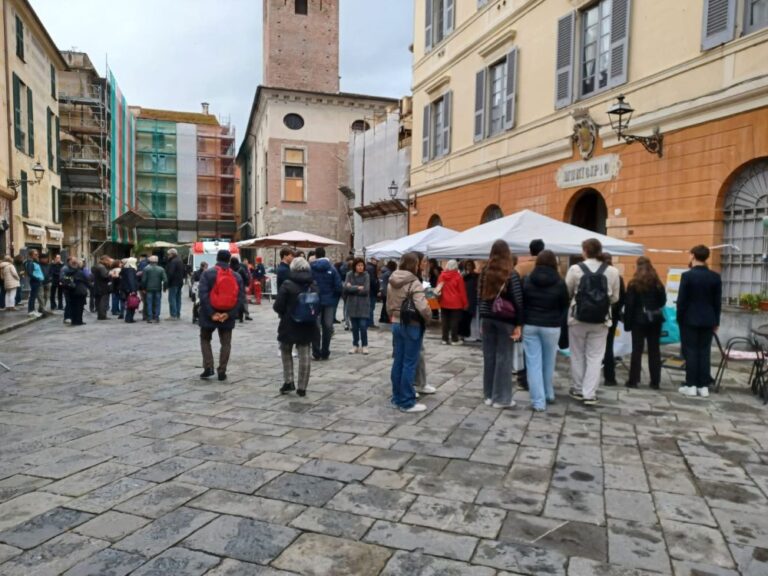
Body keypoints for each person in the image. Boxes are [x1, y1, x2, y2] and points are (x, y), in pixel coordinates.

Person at [565, 238, 621, 406]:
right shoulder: (612, 271)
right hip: (601, 320)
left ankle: (577, 387)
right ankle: (589, 393)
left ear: (584, 251)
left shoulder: (575, 269)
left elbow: (567, 291)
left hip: (577, 318)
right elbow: (615, 297)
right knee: (595, 357)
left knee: (577, 354)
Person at [522, 250, 570, 412]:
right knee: (549, 361)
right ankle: (548, 393)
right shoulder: (560, 282)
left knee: (533, 363)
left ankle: (538, 401)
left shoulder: (528, 279)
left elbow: (523, 301)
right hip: (551, 325)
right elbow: (565, 304)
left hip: (530, 324)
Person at [479, 240, 524, 409]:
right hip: (505, 319)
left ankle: (489, 395)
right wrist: (519, 323)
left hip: (487, 317)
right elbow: (518, 299)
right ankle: (502, 398)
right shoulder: (510, 273)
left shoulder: (484, 271)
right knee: (504, 357)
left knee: (489, 356)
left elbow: (480, 295)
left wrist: (481, 317)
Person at [386, 252, 432, 413]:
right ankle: (406, 401)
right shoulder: (414, 281)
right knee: (409, 363)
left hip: (397, 323)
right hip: (411, 324)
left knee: (398, 361)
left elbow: (387, 303)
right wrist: (428, 317)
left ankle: (397, 397)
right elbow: (422, 306)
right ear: (415, 264)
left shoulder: (392, 279)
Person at [676, 245, 721, 398]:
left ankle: (691, 384)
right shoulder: (715, 277)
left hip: (690, 318)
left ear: (693, 255)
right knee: (704, 351)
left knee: (691, 351)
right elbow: (717, 302)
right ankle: (703, 386)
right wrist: (716, 321)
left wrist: (679, 318)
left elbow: (681, 301)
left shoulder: (687, 276)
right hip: (709, 319)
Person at [198, 249, 245, 381]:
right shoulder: (237, 276)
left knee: (205, 339)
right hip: (228, 313)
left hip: (209, 313)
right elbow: (240, 298)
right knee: (226, 343)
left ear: (217, 258)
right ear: (229, 260)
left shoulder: (207, 273)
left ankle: (208, 367)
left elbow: (203, 295)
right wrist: (229, 314)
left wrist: (212, 313)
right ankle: (222, 370)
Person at [274, 257, 318, 396]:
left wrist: (284, 314)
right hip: (308, 324)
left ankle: (289, 381)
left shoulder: (287, 284)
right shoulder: (313, 284)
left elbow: (278, 306)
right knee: (305, 353)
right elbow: (318, 305)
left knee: (286, 350)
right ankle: (302, 387)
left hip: (289, 323)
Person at [624, 256, 667, 389]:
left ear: (637, 267)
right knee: (654, 350)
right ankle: (655, 381)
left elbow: (629, 305)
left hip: (638, 321)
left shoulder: (633, 284)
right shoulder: (658, 283)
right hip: (655, 320)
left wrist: (627, 323)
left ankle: (634, 380)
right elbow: (662, 301)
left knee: (637, 350)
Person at [310, 246, 342, 360]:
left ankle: (316, 351)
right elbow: (339, 287)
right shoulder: (332, 269)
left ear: (316, 255)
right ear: (325, 254)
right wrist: (333, 297)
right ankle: (325, 351)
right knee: (328, 326)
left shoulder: (311, 268)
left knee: (315, 326)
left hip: (314, 301)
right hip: (329, 302)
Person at [602, 253, 626, 386]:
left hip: (598, 315)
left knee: (594, 347)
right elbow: (623, 297)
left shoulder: (597, 275)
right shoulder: (618, 277)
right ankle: (609, 377)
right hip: (613, 315)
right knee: (609, 346)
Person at [436, 260, 468, 345]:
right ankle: (454, 339)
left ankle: (444, 339)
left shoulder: (441, 276)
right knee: (454, 321)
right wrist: (465, 303)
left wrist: (438, 300)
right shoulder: (458, 277)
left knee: (444, 321)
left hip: (444, 301)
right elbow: (462, 292)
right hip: (456, 303)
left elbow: (438, 288)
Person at [345, 257, 370, 355]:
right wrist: (357, 287)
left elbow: (366, 290)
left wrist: (352, 288)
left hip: (363, 304)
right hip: (352, 304)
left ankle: (364, 345)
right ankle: (355, 344)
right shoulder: (349, 275)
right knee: (354, 327)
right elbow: (346, 289)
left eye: (362, 265)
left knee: (363, 326)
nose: (360, 267)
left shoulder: (366, 275)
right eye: (359, 265)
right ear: (355, 266)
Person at [140, 255, 167, 323]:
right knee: (157, 303)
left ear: (150, 261)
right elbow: (165, 280)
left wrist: (143, 288)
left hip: (148, 289)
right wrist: (164, 288)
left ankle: (149, 317)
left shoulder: (146, 269)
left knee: (149, 303)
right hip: (158, 288)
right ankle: (156, 317)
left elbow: (143, 280)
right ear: (157, 261)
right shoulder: (161, 269)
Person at [459, 260, 480, 341]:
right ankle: (463, 334)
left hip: (472, 298)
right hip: (464, 298)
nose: (469, 267)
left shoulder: (476, 276)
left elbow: (477, 287)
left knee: (470, 317)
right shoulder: (463, 276)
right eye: (467, 265)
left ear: (473, 266)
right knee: (463, 317)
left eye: (470, 265)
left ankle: (471, 334)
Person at [66, 259, 89, 326]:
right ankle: (79, 321)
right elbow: (86, 280)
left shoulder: (68, 272)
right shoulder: (80, 272)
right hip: (80, 291)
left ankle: (74, 320)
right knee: (80, 307)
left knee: (73, 306)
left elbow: (66, 280)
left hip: (71, 291)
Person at [231, 257, 253, 322]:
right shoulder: (241, 268)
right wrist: (246, 285)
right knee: (244, 301)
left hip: (232, 288)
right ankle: (246, 315)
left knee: (234, 302)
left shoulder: (229, 269)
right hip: (241, 287)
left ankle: (235, 315)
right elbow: (246, 278)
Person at [165, 248, 185, 320]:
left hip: (173, 283)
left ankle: (173, 315)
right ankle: (177, 314)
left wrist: (167, 283)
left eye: (169, 254)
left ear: (172, 254)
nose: (168, 256)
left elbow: (170, 273)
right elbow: (184, 272)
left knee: (172, 299)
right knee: (178, 299)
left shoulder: (173, 261)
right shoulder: (180, 260)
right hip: (180, 282)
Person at [24, 249, 44, 317]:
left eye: (37, 254)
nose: (37, 255)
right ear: (31, 255)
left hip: (36, 281)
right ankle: (31, 311)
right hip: (35, 282)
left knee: (34, 296)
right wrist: (37, 279)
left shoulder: (33, 262)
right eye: (35, 254)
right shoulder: (30, 263)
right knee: (33, 296)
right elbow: (29, 273)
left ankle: (32, 310)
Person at [92, 255, 112, 320]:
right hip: (103, 287)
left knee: (98, 301)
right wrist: (110, 274)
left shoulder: (96, 266)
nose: (109, 262)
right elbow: (105, 276)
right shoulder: (102, 267)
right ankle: (102, 315)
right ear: (105, 260)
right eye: (108, 260)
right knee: (103, 301)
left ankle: (100, 315)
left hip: (97, 286)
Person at [120, 257, 139, 323]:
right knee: (132, 304)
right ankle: (129, 318)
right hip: (130, 289)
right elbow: (131, 280)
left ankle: (128, 318)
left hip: (126, 288)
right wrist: (133, 290)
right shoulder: (131, 269)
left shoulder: (125, 269)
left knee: (129, 303)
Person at [366, 257, 380, 328]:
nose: (377, 262)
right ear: (372, 260)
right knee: (371, 307)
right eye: (376, 260)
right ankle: (370, 322)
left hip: (370, 290)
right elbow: (372, 280)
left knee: (370, 307)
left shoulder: (369, 267)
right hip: (371, 291)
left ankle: (369, 322)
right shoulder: (371, 268)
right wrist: (377, 289)